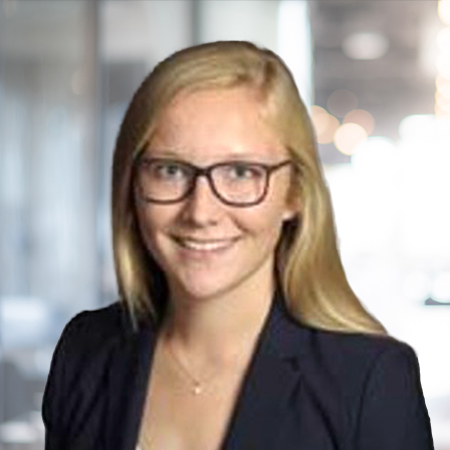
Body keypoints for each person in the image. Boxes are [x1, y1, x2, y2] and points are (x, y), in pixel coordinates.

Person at [42, 41, 434, 450]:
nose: (200, 212)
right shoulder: (86, 352)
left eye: (241, 172)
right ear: (132, 183)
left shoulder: (369, 381)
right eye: (170, 170)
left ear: (294, 194)